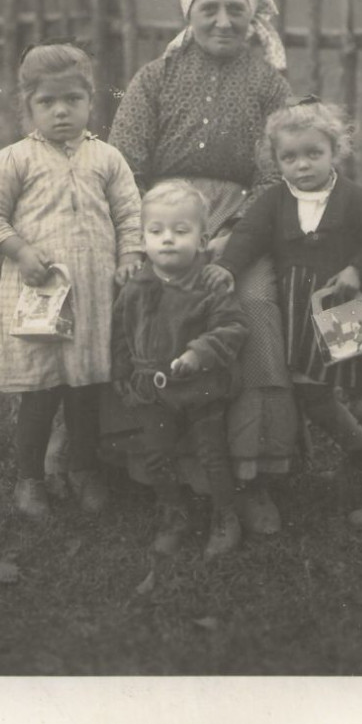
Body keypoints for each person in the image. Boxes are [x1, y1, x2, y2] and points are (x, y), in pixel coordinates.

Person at [104, 0, 299, 534]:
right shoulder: (155, 78)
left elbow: (277, 171)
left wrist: (232, 238)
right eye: (207, 9)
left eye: (234, 10)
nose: (222, 21)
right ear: (188, 14)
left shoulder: (269, 83)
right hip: (162, 218)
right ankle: (149, 463)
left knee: (254, 308)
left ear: (252, 17)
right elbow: (125, 162)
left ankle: (255, 474)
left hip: (242, 222)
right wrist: (152, 233)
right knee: (144, 305)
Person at [219, 98, 362, 528]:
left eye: (313, 154)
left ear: (334, 151)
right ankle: (360, 450)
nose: (302, 165)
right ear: (276, 160)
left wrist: (356, 269)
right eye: (289, 157)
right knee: (311, 395)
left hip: (343, 311)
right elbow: (247, 236)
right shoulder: (273, 200)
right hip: (298, 316)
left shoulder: (352, 198)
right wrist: (226, 269)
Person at [0, 41, 142, 520]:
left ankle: (84, 469)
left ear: (91, 101)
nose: (61, 111)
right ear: (28, 107)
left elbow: (130, 213)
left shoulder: (107, 158)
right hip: (39, 296)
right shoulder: (15, 159)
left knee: (86, 392)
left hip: (91, 293)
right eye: (47, 102)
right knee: (40, 394)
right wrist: (21, 251)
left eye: (73, 100)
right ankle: (31, 480)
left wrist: (129, 254)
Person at [112, 180, 249, 559]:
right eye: (156, 232)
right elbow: (119, 334)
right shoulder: (137, 286)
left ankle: (225, 516)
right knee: (157, 455)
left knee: (212, 453)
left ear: (203, 241)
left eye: (180, 231)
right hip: (152, 391)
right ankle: (173, 515)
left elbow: (231, 327)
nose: (167, 240)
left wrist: (198, 353)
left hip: (201, 386)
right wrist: (123, 377)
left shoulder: (210, 282)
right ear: (143, 239)